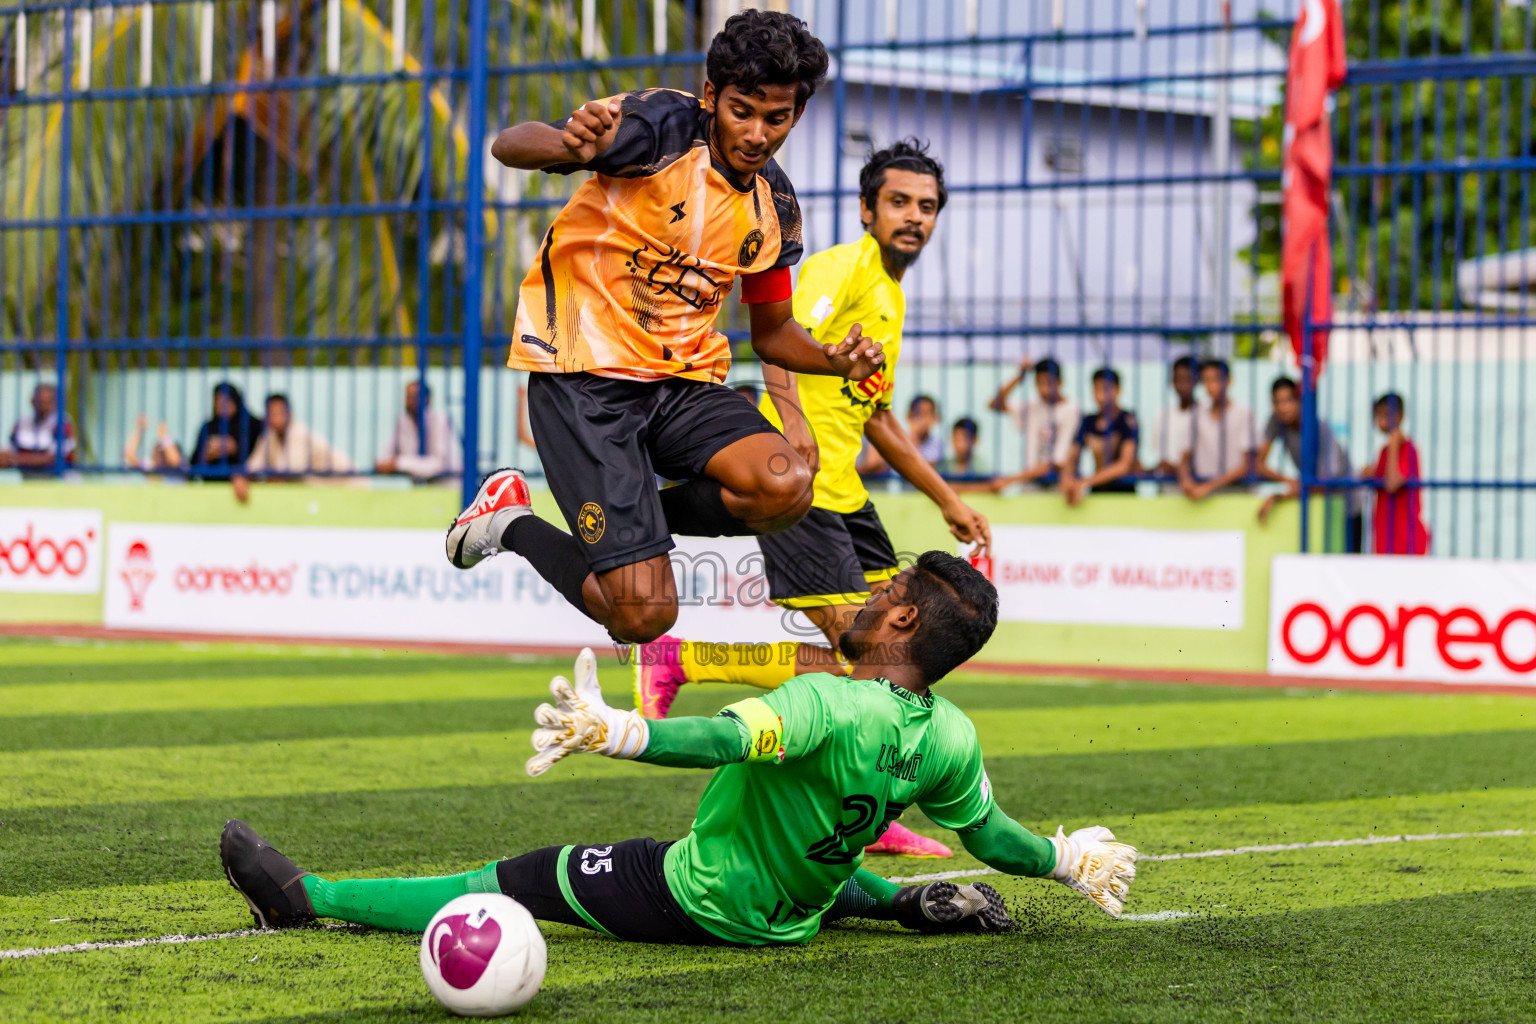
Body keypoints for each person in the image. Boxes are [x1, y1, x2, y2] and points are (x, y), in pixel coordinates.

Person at [218, 552, 1138, 947]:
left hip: (704, 899)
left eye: (886, 586)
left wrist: (620, 731)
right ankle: (902, 905)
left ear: (902, 618)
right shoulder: (951, 736)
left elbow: (722, 735)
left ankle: (307, 901)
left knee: (519, 879)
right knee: (812, 863)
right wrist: (1066, 860)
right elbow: (996, 839)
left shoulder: (826, 701)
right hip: (792, 908)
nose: (867, 591)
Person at [443, 12, 885, 645]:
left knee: (786, 486)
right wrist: (573, 145)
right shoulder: (658, 128)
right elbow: (508, 145)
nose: (757, 133)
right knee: (643, 617)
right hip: (583, 379)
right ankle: (507, 521)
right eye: (742, 110)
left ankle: (632, 537)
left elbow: (774, 333)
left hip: (678, 387)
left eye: (777, 117)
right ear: (711, 95)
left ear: (798, 114)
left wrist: (834, 361)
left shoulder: (776, 206)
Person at [630, 141, 990, 857]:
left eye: (926, 206)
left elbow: (878, 415)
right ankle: (865, 810)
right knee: (871, 658)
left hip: (848, 496)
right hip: (807, 492)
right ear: (868, 209)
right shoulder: (841, 268)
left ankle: (684, 658)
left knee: (890, 655)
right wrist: (792, 426)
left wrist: (948, 498)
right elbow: (776, 341)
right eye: (899, 202)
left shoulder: (889, 294)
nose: (913, 217)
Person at [1255, 377, 1363, 553]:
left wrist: (1280, 496)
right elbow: (1258, 464)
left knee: (1348, 561)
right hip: (1320, 505)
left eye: (1289, 400)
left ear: (1299, 402)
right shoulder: (1276, 421)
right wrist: (1289, 480)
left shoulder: (1319, 428)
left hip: (1347, 504)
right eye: (1278, 402)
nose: (1283, 407)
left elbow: (1324, 482)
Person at [233, 394, 355, 503]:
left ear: (290, 414)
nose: (276, 418)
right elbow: (253, 466)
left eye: (279, 412)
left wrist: (255, 479)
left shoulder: (300, 433)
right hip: (322, 494)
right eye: (272, 413)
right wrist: (241, 478)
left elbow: (286, 473)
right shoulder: (270, 436)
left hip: (348, 487)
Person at [988, 356, 1078, 490]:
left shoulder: (1071, 409)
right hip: (1030, 486)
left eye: (1048, 382)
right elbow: (995, 404)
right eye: (1039, 383)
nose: (1043, 389)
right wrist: (1020, 376)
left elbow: (1056, 462)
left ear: (1060, 382)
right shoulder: (1033, 407)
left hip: (1055, 487)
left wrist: (1010, 480)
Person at [1178, 358, 1257, 501]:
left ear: (1228, 381)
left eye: (1216, 379)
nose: (1211, 386)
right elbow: (1184, 458)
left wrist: (1208, 487)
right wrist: (1186, 480)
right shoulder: (1197, 414)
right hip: (1203, 495)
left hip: (1238, 494)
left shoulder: (1243, 413)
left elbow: (1247, 465)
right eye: (1206, 380)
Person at [1363, 392, 1430, 555]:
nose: (1381, 420)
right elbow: (1378, 478)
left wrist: (1394, 444)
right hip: (1385, 534)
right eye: (1378, 415)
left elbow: (1392, 483)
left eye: (1386, 414)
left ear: (1400, 416)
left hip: (1405, 537)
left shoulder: (1408, 449)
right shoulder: (1384, 451)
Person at [1059, 369, 1139, 505]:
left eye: (1106, 390)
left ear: (1117, 390)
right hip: (1097, 492)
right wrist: (1066, 479)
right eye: (1096, 390)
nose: (1101, 396)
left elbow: (1124, 465)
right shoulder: (1088, 421)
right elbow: (1072, 455)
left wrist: (1085, 482)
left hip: (1124, 493)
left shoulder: (1127, 420)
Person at [376, 381, 461, 483]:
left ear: (428, 399)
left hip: (449, 487)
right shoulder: (403, 422)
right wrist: (390, 464)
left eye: (415, 397)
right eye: (408, 397)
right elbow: (385, 460)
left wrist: (399, 464)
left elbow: (440, 465)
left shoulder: (440, 421)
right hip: (420, 489)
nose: (410, 401)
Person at [189, 382, 262, 479]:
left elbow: (258, 458)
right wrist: (206, 454)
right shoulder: (208, 427)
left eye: (226, 400)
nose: (221, 404)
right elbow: (193, 463)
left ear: (235, 401)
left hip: (242, 482)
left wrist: (234, 448)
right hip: (211, 484)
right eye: (217, 400)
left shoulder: (252, 424)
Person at [2, 383, 77, 476]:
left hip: (60, 479)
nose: (41, 404)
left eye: (46, 401)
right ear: (32, 400)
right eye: (38, 400)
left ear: (56, 402)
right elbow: (9, 451)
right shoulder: (22, 423)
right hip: (30, 479)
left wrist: (17, 459)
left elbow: (56, 456)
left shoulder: (62, 423)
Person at [1149, 355, 1199, 479]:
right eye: (1178, 379)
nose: (1182, 385)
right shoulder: (1162, 415)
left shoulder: (1205, 415)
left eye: (1187, 379)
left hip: (1195, 486)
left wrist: (1176, 468)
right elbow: (1160, 456)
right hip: (1166, 488)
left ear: (1197, 380)